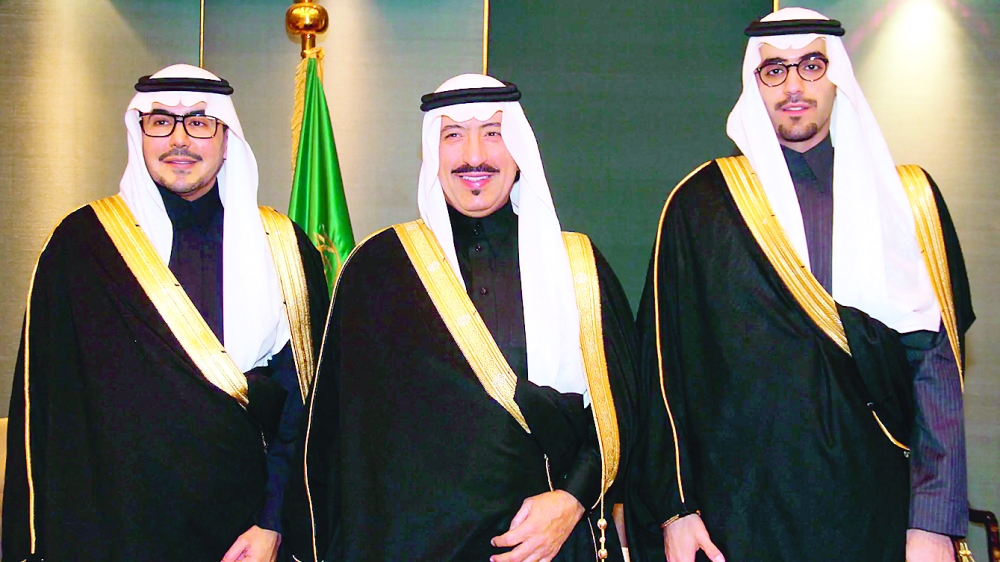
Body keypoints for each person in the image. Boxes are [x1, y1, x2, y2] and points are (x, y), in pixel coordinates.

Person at [627, 8, 973, 562]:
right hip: (738, 521)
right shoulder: (700, 205)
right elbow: (663, 377)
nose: (794, 85)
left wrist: (932, 523)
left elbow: (935, 370)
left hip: (879, 515)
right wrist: (677, 509)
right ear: (754, 83)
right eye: (775, 70)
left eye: (812, 65)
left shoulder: (908, 201)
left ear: (837, 75)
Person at [283, 74, 638, 561]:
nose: (474, 156)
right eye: (454, 135)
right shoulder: (377, 269)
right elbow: (340, 443)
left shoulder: (577, 266)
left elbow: (622, 408)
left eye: (493, 133)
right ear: (433, 149)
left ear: (519, 147)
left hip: (549, 546)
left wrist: (572, 500)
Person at [2, 64, 329, 562]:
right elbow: (45, 408)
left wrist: (273, 522)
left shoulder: (282, 247)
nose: (179, 139)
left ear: (226, 139)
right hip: (114, 526)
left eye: (199, 122)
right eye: (161, 121)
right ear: (139, 133)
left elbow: (303, 406)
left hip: (242, 533)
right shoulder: (82, 246)